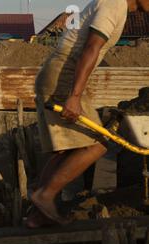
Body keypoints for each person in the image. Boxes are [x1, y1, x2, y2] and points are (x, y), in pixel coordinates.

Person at [27, 0, 149, 228]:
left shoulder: (116, 6)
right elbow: (91, 47)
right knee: (98, 145)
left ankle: (38, 215)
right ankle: (45, 196)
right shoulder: (114, 5)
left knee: (65, 151)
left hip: (59, 73)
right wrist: (74, 95)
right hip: (63, 76)